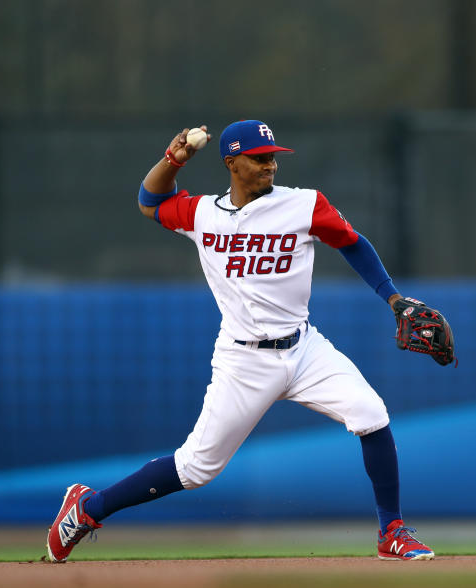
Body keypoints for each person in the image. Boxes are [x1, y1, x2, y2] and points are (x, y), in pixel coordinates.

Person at [46, 120, 435, 562]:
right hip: (243, 359)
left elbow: (353, 243)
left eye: (273, 156)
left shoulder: (303, 204)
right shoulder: (202, 213)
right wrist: (174, 159)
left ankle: (392, 530)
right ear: (232, 163)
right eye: (259, 157)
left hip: (304, 347)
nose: (270, 164)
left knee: (371, 414)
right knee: (195, 469)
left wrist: (394, 299)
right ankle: (88, 508)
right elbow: (149, 201)